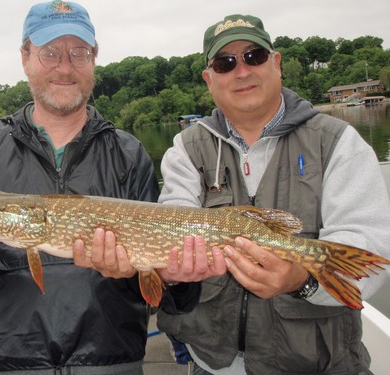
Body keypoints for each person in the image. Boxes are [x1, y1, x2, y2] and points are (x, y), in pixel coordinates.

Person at [78, 14, 390, 375]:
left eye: (254, 56)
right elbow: (174, 217)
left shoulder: (337, 142)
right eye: (225, 63)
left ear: (277, 64)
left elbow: (369, 256)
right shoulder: (186, 149)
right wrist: (169, 272)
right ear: (210, 80)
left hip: (317, 364)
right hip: (213, 364)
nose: (241, 71)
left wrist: (299, 280)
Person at [0, 1, 159, 374]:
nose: (65, 66)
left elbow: (161, 283)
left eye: (78, 53)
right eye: (50, 53)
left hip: (110, 362)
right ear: (25, 58)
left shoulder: (129, 153)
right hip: (9, 365)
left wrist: (142, 272)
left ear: (94, 60)